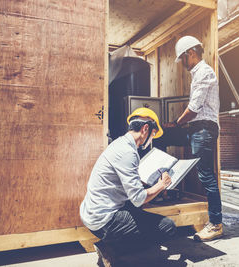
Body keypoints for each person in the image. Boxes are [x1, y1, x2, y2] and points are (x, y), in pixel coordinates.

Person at [80, 107, 176, 267]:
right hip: (104, 220)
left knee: (141, 215)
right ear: (146, 129)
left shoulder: (120, 144)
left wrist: (146, 184)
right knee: (168, 227)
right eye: (153, 135)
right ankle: (110, 247)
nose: (152, 140)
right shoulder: (128, 153)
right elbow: (139, 199)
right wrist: (161, 185)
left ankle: (112, 244)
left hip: (93, 212)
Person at [160, 35, 223, 242]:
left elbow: (195, 108)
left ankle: (215, 224)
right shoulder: (197, 73)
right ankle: (160, 189)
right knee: (161, 135)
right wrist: (172, 126)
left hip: (203, 129)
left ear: (191, 53)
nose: (182, 64)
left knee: (205, 174)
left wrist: (176, 123)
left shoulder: (204, 72)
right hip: (196, 128)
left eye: (183, 59)